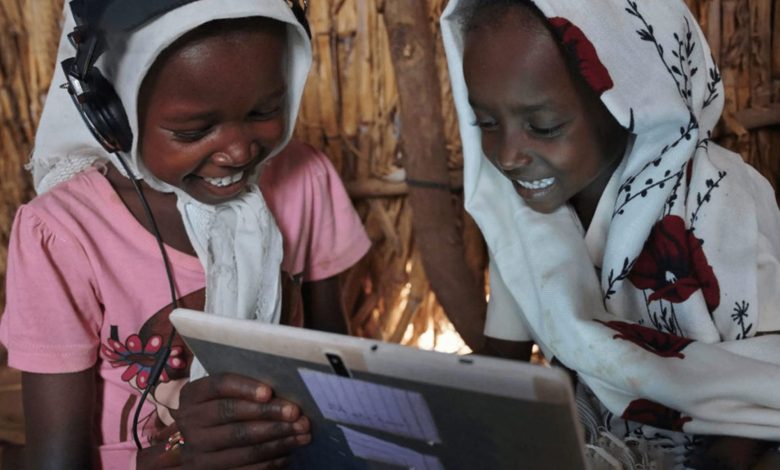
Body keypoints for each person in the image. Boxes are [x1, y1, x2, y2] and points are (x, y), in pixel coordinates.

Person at [0, 0, 370, 468]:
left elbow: (334, 370)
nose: (238, 151)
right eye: (193, 130)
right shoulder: (61, 233)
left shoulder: (306, 179)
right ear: (111, 116)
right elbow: (56, 459)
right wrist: (180, 455)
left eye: (264, 111)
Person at [440, 0, 780, 468]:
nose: (509, 155)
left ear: (631, 104)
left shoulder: (722, 200)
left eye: (544, 126)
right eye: (487, 123)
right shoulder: (526, 224)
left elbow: (766, 389)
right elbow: (503, 366)